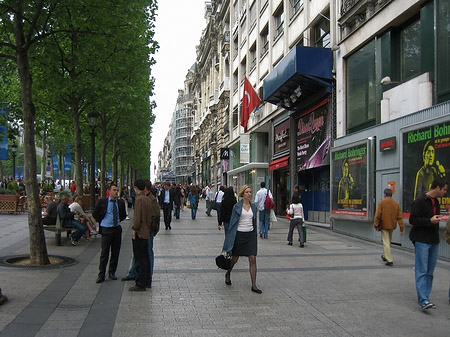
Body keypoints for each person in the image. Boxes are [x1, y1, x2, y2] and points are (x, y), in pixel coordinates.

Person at [409, 177, 448, 310]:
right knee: (422, 270)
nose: (445, 192)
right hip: (422, 240)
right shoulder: (420, 201)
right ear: (437, 188)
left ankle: (427, 297)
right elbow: (412, 220)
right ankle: (423, 299)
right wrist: (429, 221)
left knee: (430, 271)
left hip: (434, 240)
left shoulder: (436, 202)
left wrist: (435, 220)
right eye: (444, 189)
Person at [223, 185, 262, 294]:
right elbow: (232, 223)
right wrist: (229, 239)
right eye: (247, 192)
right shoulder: (236, 207)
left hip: (250, 235)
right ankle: (228, 272)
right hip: (239, 235)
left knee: (253, 258)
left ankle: (254, 285)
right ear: (242, 194)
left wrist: (255, 233)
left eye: (250, 192)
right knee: (235, 259)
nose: (249, 194)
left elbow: (254, 222)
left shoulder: (253, 207)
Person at [122, 180, 160, 287]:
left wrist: (137, 229)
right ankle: (135, 273)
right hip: (147, 230)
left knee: (145, 255)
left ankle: (145, 276)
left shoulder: (144, 199)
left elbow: (149, 216)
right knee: (141, 255)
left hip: (144, 231)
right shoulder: (147, 199)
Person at [93, 183, 126, 283]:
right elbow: (95, 213)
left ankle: (112, 272)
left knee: (115, 252)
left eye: (117, 190)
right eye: (114, 190)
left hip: (116, 229)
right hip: (106, 229)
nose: (116, 192)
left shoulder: (120, 203)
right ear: (109, 191)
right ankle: (101, 274)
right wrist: (102, 222)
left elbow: (123, 215)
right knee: (104, 253)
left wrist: (117, 221)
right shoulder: (102, 201)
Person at [127, 179, 152, 291]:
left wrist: (134, 230)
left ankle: (140, 283)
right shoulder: (147, 199)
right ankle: (146, 281)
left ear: (136, 187)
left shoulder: (139, 199)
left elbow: (137, 218)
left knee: (139, 258)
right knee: (146, 258)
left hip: (140, 232)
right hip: (147, 231)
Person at [373, 188, 404, 266]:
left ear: (385, 194)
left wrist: (376, 224)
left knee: (386, 242)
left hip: (384, 225)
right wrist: (402, 228)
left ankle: (389, 260)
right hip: (392, 225)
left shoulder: (382, 203)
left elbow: (377, 215)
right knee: (388, 241)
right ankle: (384, 255)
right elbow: (399, 217)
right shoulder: (396, 204)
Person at [221, 187, 237, 252]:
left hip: (226, 220)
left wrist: (220, 222)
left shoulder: (224, 200)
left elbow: (222, 212)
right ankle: (231, 248)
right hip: (233, 219)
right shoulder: (234, 200)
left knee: (227, 234)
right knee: (232, 234)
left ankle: (226, 249)